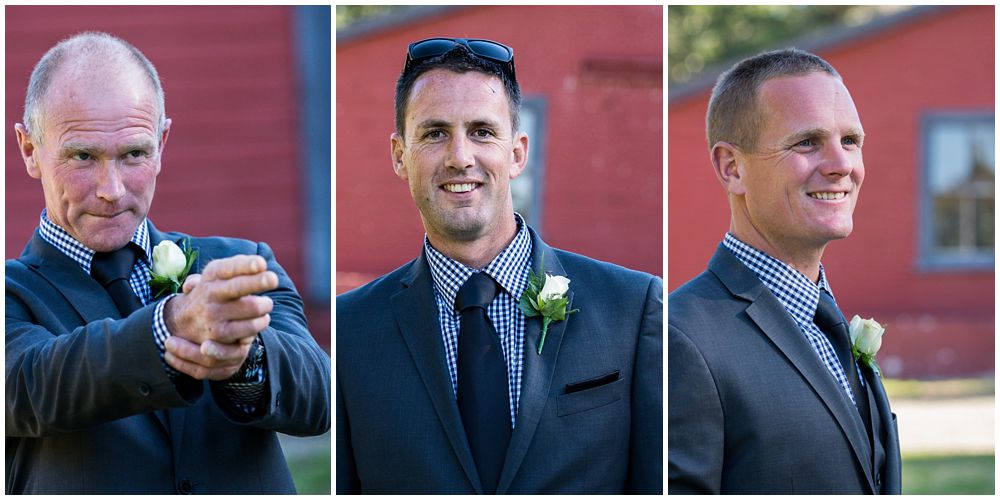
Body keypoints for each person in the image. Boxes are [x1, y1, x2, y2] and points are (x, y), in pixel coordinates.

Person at [5, 32, 330, 494]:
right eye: (82, 156)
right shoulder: (12, 295)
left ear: (163, 142)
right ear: (29, 150)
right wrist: (173, 325)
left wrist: (246, 358)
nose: (112, 189)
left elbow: (319, 402)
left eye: (134, 153)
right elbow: (31, 389)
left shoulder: (241, 263)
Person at [336, 37, 662, 494]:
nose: (460, 157)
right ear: (399, 156)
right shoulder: (350, 329)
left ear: (517, 153)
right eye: (434, 134)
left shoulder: (633, 307)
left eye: (482, 132)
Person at [668, 48, 901, 494]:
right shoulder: (683, 341)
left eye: (850, 141)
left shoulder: (826, 321)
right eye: (807, 142)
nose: (841, 165)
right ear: (732, 168)